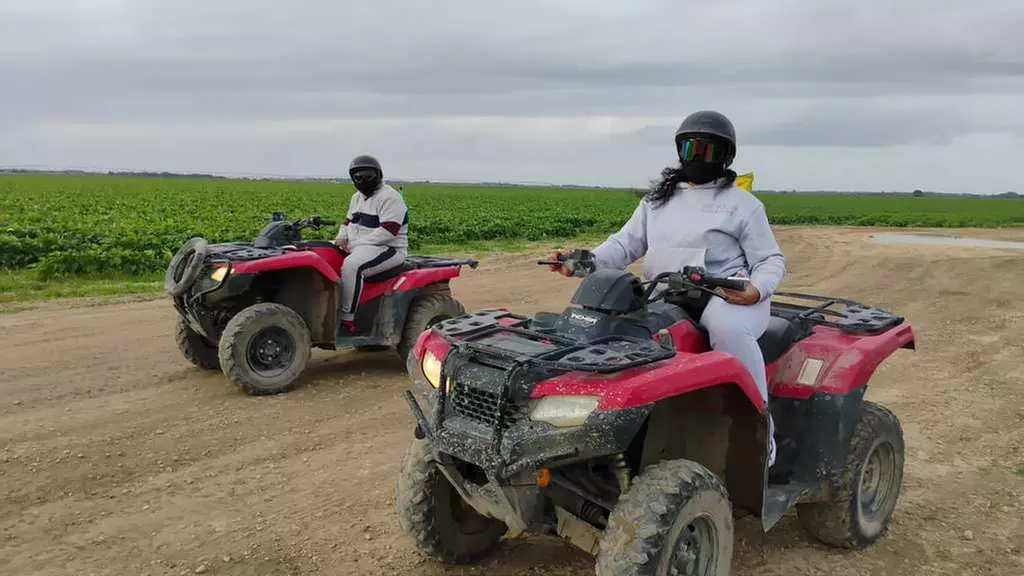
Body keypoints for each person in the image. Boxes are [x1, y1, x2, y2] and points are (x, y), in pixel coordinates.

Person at [545, 110, 786, 465]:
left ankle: (759, 429)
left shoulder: (744, 206)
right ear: (680, 152)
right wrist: (580, 261)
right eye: (691, 149)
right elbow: (623, 246)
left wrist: (756, 289)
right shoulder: (656, 202)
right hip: (666, 293)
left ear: (726, 158)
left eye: (710, 152)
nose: (699, 159)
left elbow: (770, 260)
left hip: (726, 295)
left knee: (727, 330)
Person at [334, 154, 409, 334]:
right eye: (358, 176)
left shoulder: (389, 197)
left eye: (368, 175)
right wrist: (340, 238)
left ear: (378, 175)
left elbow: (387, 232)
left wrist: (354, 245)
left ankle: (347, 319)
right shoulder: (357, 197)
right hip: (361, 245)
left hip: (388, 248)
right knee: (323, 251)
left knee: (353, 266)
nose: (363, 180)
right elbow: (348, 222)